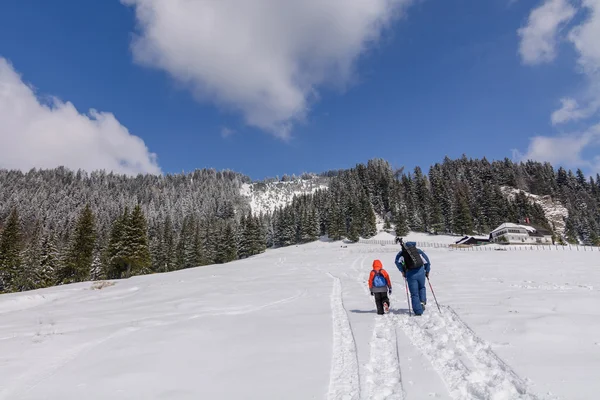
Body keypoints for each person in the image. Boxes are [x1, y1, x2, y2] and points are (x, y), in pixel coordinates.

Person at [394, 239, 431, 316]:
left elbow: (397, 261)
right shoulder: (418, 251)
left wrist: (402, 271)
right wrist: (427, 271)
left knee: (414, 293)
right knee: (422, 287)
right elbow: (427, 261)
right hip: (421, 272)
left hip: (410, 274)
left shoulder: (402, 253)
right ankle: (422, 302)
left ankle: (418, 311)